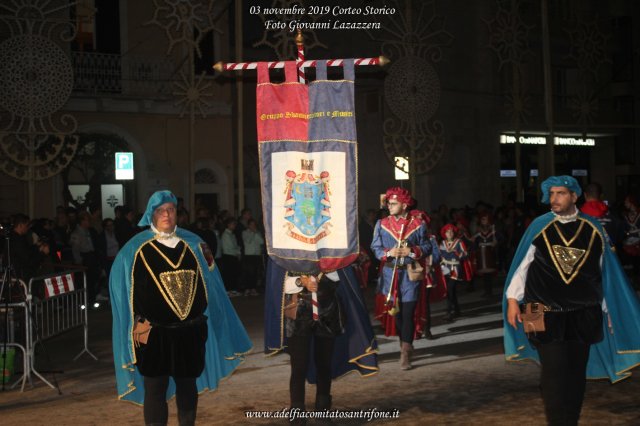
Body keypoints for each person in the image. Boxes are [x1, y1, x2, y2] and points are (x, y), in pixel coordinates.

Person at [503, 176, 640, 425]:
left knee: (576, 373)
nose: (553, 199)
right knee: (553, 371)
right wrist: (513, 299)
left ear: (574, 196)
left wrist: (609, 311)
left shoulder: (594, 228)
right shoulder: (539, 226)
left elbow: (604, 274)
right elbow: (522, 267)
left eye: (561, 193)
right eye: (551, 194)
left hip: (584, 311)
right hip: (537, 310)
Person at [109, 190, 252, 426]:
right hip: (152, 334)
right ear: (151, 215)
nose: (166, 214)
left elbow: (213, 284)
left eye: (171, 210)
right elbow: (120, 288)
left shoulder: (197, 245)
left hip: (189, 332)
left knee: (187, 387)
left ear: (177, 213)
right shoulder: (133, 250)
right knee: (155, 389)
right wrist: (134, 326)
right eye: (160, 211)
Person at [264, 260, 378, 422]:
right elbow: (279, 284)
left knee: (324, 364)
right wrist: (300, 281)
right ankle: (297, 413)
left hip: (328, 312)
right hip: (298, 313)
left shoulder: (332, 250)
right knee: (299, 366)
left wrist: (326, 271)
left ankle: (323, 410)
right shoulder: (288, 253)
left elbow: (342, 278)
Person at [371, 187, 434, 370]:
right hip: (390, 274)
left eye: (393, 203)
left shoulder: (418, 224)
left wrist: (412, 251)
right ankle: (404, 342)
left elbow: (427, 246)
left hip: (409, 274)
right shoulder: (381, 224)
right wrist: (387, 252)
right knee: (396, 314)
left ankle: (405, 351)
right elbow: (375, 248)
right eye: (388, 203)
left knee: (408, 313)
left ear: (404, 205)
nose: (389, 206)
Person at [439, 223, 472, 321]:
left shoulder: (459, 242)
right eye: (447, 232)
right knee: (451, 290)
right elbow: (440, 255)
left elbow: (465, 254)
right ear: (444, 233)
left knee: (450, 289)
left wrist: (456, 252)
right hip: (444, 268)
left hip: (455, 268)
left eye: (451, 231)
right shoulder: (442, 243)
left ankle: (449, 311)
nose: (449, 233)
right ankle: (457, 310)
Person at [241, 219, 264, 296]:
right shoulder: (245, 232)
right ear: (248, 225)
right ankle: (247, 289)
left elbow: (261, 242)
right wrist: (253, 233)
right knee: (248, 273)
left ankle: (253, 289)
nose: (253, 226)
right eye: (251, 224)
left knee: (255, 273)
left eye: (254, 225)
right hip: (249, 256)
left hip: (256, 255)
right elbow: (248, 241)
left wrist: (256, 233)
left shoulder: (258, 233)